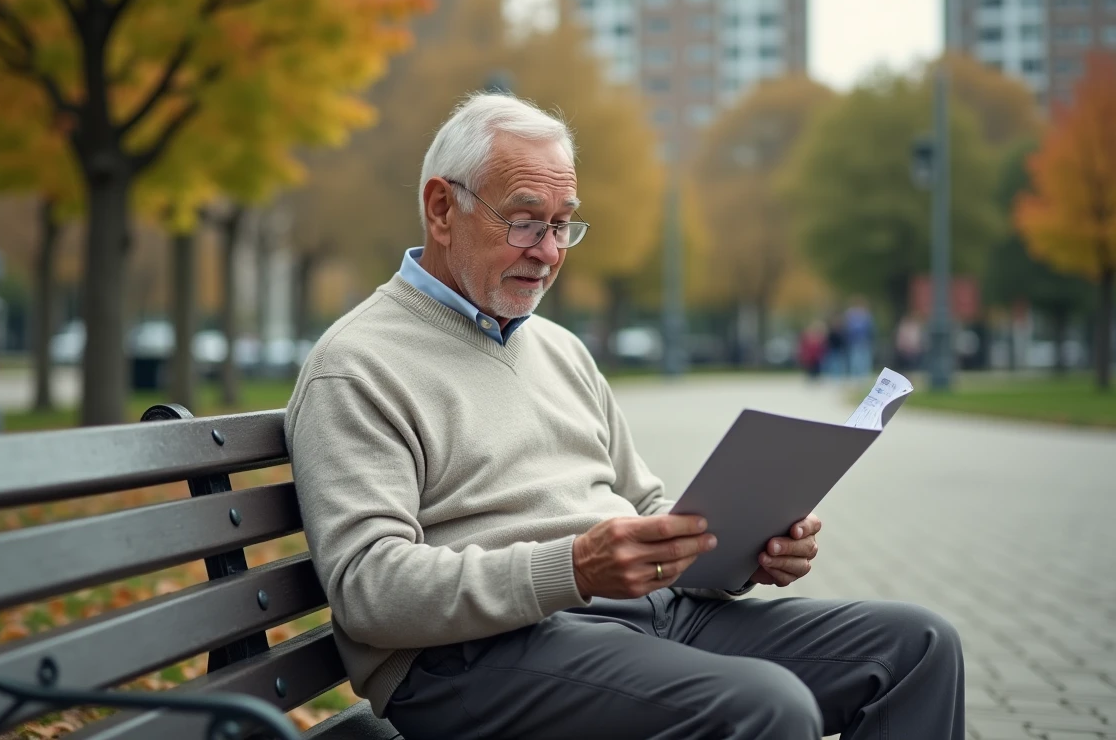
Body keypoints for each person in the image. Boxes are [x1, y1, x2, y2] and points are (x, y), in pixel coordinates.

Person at [285, 93, 964, 740]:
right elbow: (369, 589)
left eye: (562, 224)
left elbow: (644, 505)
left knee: (919, 647)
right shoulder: (358, 363)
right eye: (525, 221)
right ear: (442, 208)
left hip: (648, 616)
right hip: (469, 659)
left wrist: (741, 551)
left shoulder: (560, 349)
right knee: (767, 707)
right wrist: (572, 569)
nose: (549, 252)